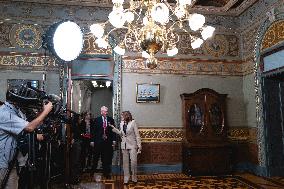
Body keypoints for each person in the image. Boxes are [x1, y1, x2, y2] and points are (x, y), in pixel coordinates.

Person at [0, 88, 53, 189]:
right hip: (2, 164)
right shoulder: (4, 113)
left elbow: (31, 123)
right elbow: (29, 127)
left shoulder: (15, 111)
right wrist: (45, 112)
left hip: (11, 163)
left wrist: (42, 112)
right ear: (17, 101)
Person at [110, 111, 141, 184]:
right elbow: (121, 133)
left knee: (133, 162)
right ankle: (126, 178)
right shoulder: (121, 123)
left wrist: (139, 145)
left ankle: (134, 177)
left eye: (122, 116)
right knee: (125, 163)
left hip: (132, 145)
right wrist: (114, 128)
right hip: (124, 145)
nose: (121, 118)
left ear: (126, 116)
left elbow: (137, 135)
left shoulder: (133, 122)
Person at [91, 106, 115, 179]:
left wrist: (114, 140)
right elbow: (93, 131)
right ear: (101, 112)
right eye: (104, 111)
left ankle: (106, 173)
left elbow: (113, 131)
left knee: (106, 159)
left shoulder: (111, 120)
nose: (106, 113)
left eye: (107, 111)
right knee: (95, 158)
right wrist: (92, 140)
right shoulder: (96, 120)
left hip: (107, 143)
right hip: (98, 142)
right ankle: (93, 171)